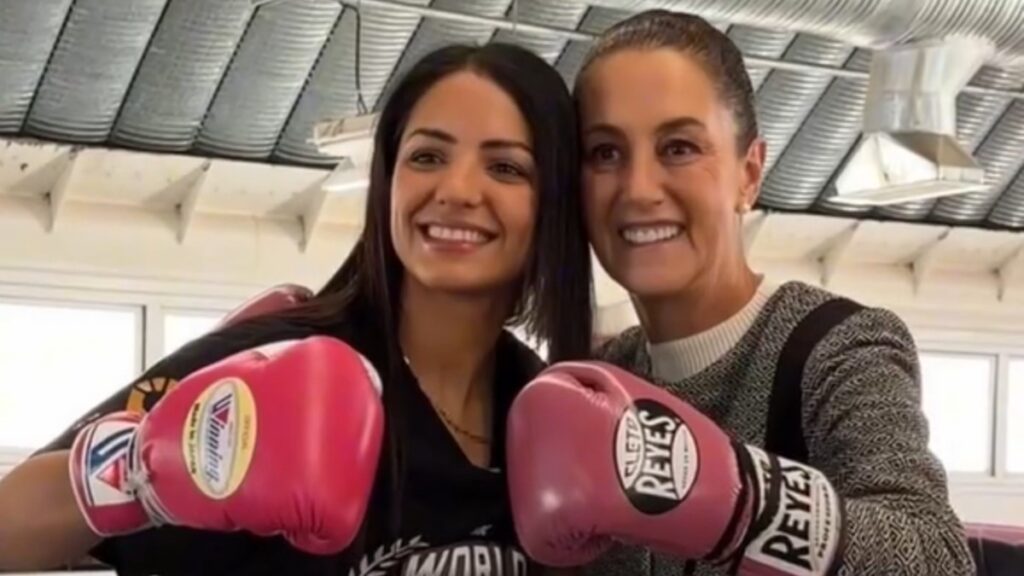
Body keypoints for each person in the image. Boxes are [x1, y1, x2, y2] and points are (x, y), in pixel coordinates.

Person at [0, 42, 593, 576]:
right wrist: (147, 469)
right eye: (427, 157)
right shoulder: (277, 359)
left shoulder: (545, 414)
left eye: (506, 167)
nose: (458, 189)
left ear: (553, 206)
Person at [504, 10, 974, 576]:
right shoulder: (598, 377)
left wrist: (741, 501)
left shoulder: (837, 348)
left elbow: (934, 556)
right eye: (606, 152)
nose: (639, 189)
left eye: (679, 147)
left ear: (749, 173)